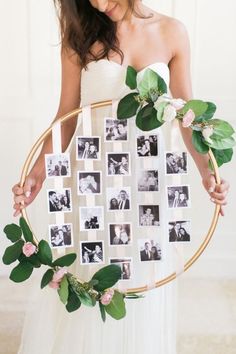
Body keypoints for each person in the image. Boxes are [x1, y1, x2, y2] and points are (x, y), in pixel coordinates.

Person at [12, 1, 229, 354]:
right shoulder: (79, 36)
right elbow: (66, 117)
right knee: (94, 278)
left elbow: (187, 114)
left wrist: (208, 172)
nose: (97, 3)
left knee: (141, 279)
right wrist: (36, 174)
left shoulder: (172, 32)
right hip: (93, 185)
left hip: (148, 187)